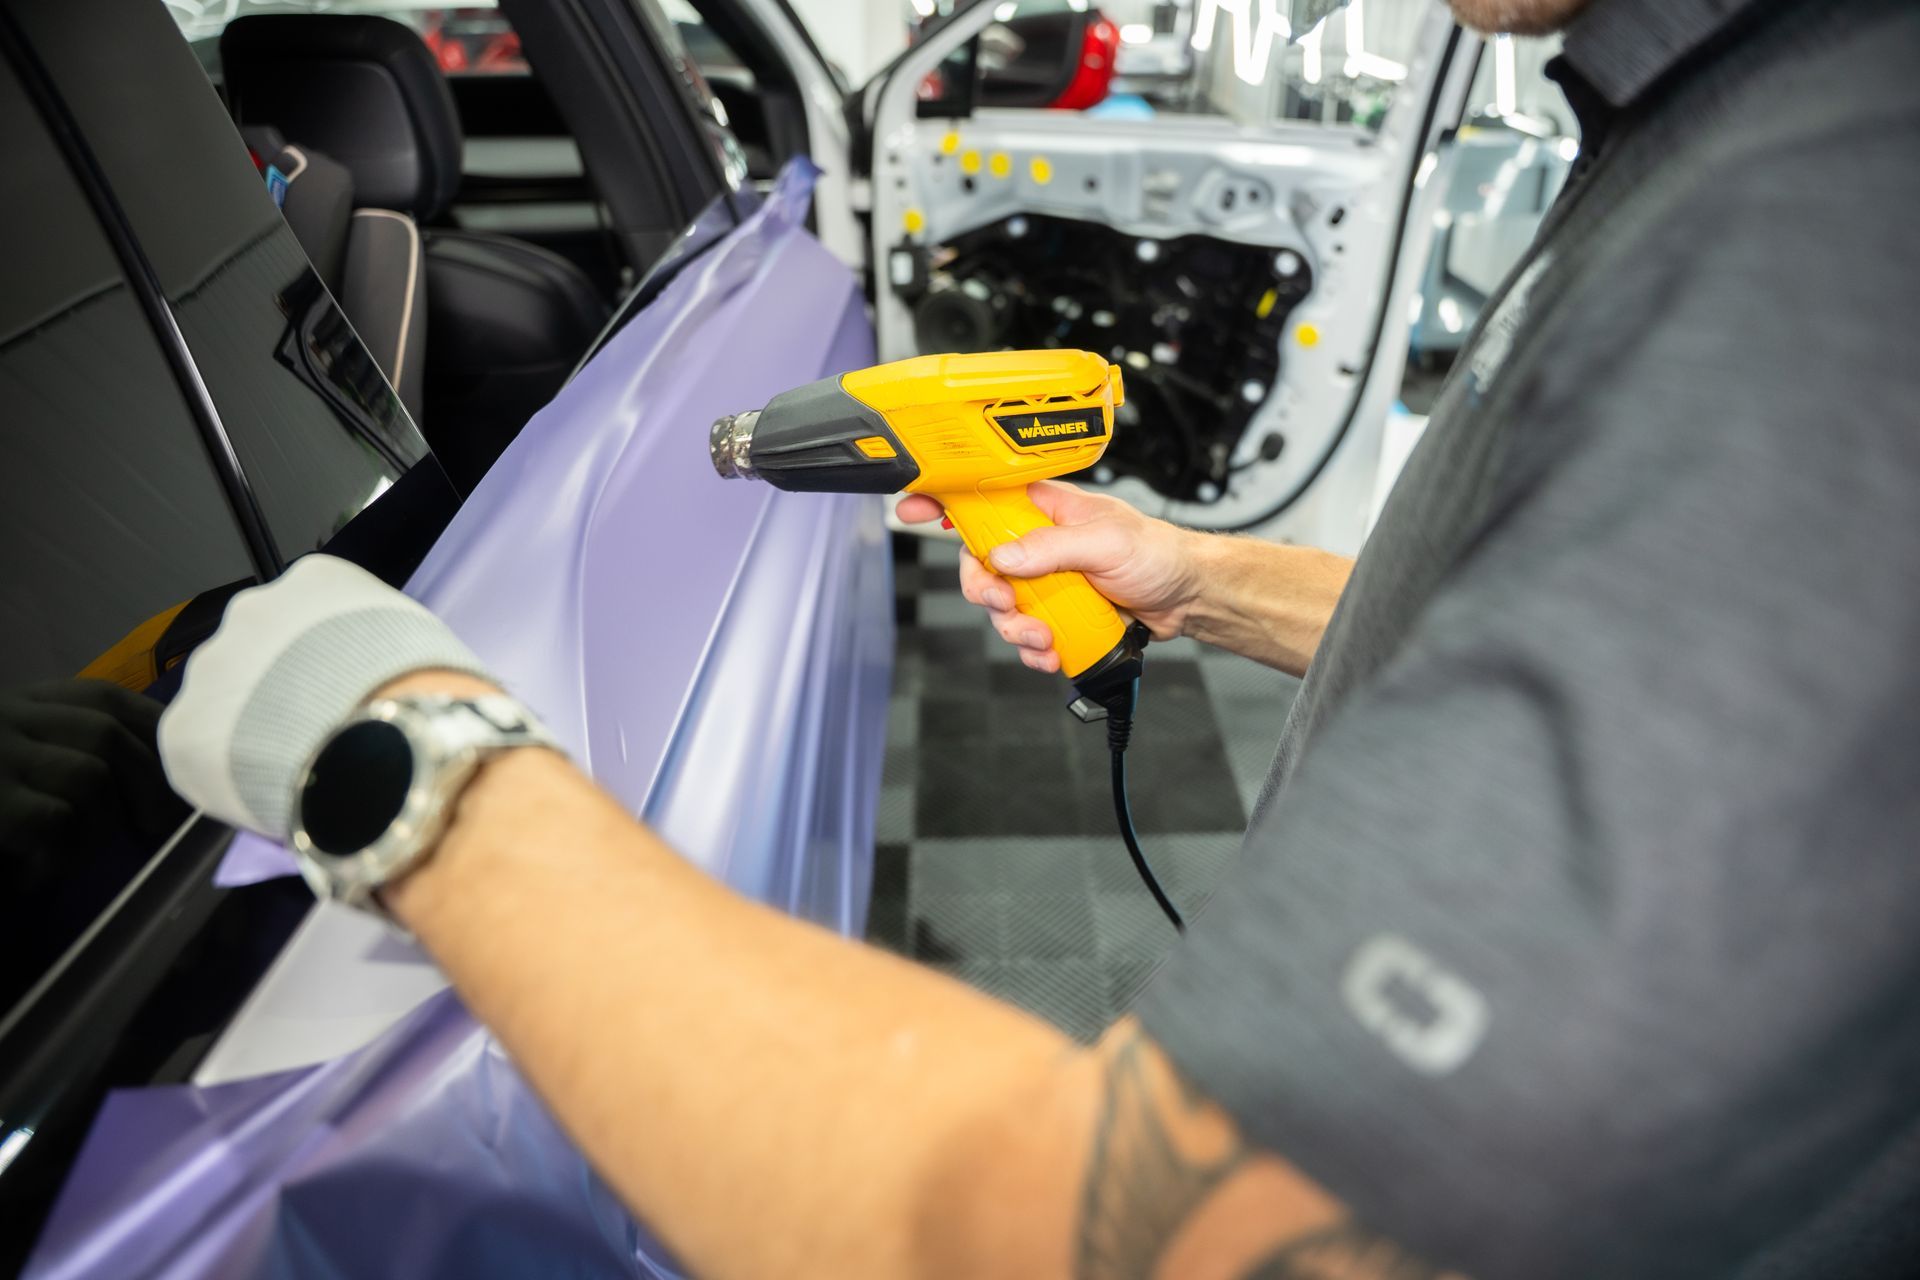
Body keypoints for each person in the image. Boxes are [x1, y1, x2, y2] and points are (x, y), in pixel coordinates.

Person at [157, 0, 1920, 1275]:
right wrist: (1196, 577)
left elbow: (1106, 1238)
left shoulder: (1826, 217)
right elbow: (1577, 638)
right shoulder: (1712, 117)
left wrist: (410, 760)